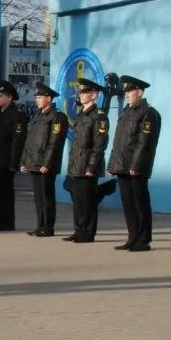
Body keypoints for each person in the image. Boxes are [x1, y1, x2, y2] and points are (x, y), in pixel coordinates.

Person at [106, 75, 161, 251]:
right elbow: (119, 142)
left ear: (139, 91)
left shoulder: (148, 113)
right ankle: (132, 237)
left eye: (130, 91)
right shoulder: (127, 112)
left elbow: (144, 143)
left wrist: (135, 166)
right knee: (128, 204)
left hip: (135, 167)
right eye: (126, 91)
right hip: (122, 165)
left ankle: (143, 240)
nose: (127, 94)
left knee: (140, 204)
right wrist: (113, 165)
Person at [64, 78, 110, 243]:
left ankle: (88, 232)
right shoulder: (82, 115)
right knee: (77, 200)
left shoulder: (99, 117)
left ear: (94, 95)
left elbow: (99, 144)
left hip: (88, 166)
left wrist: (91, 165)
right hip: (77, 163)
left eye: (84, 92)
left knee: (88, 201)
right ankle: (78, 230)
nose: (80, 94)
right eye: (80, 91)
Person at [20, 83, 69, 237]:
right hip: (34, 162)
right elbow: (29, 141)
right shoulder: (37, 115)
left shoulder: (58, 117)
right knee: (38, 196)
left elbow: (55, 143)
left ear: (49, 98)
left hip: (45, 164)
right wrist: (24, 161)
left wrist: (47, 163)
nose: (37, 100)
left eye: (40, 97)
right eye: (37, 97)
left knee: (46, 196)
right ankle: (40, 225)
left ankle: (48, 227)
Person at [0, 81, 27, 232]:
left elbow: (18, 141)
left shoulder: (17, 115)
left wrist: (13, 162)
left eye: (1, 96)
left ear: (10, 97)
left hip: (7, 160)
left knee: (6, 193)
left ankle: (8, 222)